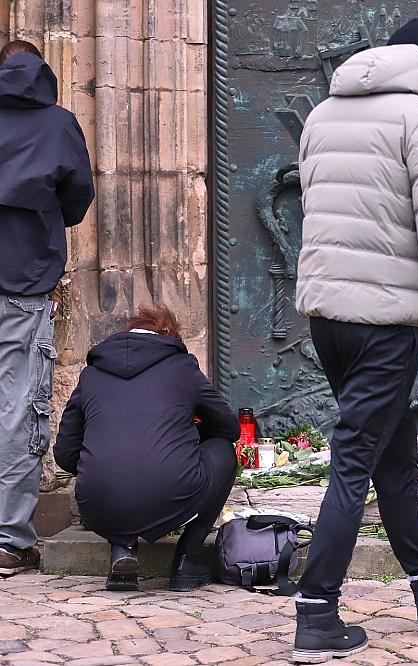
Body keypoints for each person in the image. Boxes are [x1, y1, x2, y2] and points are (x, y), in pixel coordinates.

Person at [292, 18, 418, 662]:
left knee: (392, 452)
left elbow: (314, 207)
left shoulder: (321, 115)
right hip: (385, 325)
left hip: (330, 318)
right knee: (356, 460)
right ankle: (317, 610)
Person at [53, 306, 239, 592]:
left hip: (98, 506)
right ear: (168, 338)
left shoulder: (91, 375)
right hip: (171, 491)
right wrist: (187, 436)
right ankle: (187, 560)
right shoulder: (182, 367)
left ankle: (123, 550)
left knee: (116, 468)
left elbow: (65, 454)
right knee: (224, 451)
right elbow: (229, 429)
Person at [0, 40, 95, 577]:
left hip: (21, 280)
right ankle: (9, 539)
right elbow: (78, 198)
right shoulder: (58, 125)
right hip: (22, 281)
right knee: (16, 408)